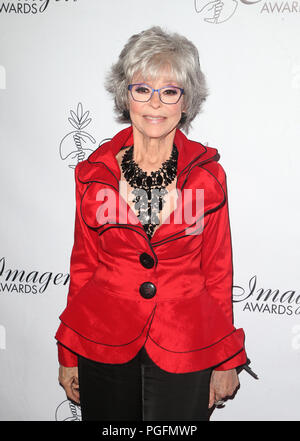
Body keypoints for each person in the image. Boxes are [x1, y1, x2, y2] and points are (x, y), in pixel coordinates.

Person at [55, 26, 248, 421]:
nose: (155, 103)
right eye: (142, 89)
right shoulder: (94, 174)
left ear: (186, 100)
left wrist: (226, 357)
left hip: (186, 343)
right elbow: (83, 267)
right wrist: (69, 351)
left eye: (170, 91)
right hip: (102, 343)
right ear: (125, 96)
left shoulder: (207, 177)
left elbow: (217, 270)